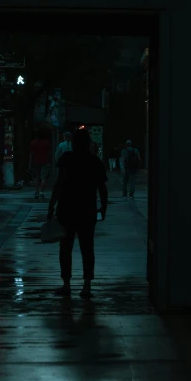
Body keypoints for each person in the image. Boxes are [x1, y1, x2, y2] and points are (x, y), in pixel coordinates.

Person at [47, 128, 108, 299]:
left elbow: (58, 184)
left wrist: (51, 206)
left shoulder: (66, 159)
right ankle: (87, 285)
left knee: (65, 247)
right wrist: (103, 208)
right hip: (87, 210)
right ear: (88, 143)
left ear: (73, 143)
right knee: (87, 248)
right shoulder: (95, 161)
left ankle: (66, 284)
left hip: (66, 209)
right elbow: (102, 188)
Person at [29, 128, 52, 200]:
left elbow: (31, 154)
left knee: (36, 177)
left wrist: (29, 163)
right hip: (45, 161)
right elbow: (49, 153)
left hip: (35, 161)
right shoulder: (47, 142)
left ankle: (37, 192)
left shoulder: (33, 142)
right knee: (44, 177)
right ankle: (41, 192)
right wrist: (49, 162)